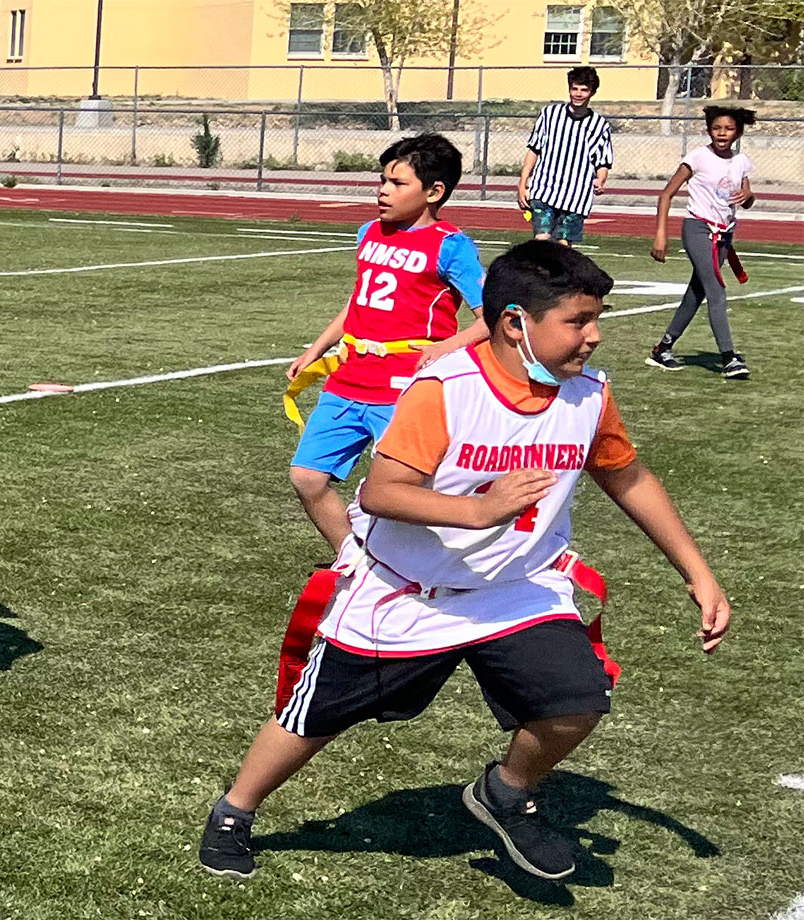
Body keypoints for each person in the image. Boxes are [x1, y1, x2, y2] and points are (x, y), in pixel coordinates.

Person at [198, 241, 733, 882]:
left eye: (598, 317)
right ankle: (235, 810)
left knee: (578, 701)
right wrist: (482, 511)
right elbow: (380, 493)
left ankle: (507, 790)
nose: (594, 336)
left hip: (517, 590)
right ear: (514, 322)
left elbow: (630, 478)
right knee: (315, 717)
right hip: (407, 594)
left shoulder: (589, 395)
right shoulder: (446, 388)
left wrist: (698, 574)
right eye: (577, 321)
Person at [281, 134, 488, 553]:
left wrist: (445, 349)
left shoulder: (451, 246)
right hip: (349, 378)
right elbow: (359, 300)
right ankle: (352, 558)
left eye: (397, 183)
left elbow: (490, 318)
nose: (383, 190)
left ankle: (430, 567)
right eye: (382, 180)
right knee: (306, 477)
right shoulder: (370, 232)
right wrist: (316, 348)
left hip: (405, 389)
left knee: (401, 491)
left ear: (434, 192)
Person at [646, 106, 759, 381]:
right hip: (698, 230)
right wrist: (661, 234)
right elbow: (666, 195)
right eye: (717, 128)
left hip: (724, 235)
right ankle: (729, 358)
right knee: (716, 289)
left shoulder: (741, 161)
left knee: (696, 293)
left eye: (729, 129)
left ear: (738, 132)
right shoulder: (697, 157)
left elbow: (747, 197)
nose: (722, 133)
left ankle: (663, 348)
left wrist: (747, 196)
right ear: (709, 129)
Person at [520, 67, 615, 247]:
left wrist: (600, 179)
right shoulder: (549, 115)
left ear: (592, 92)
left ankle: (558, 276)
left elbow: (602, 161)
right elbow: (534, 149)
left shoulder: (599, 125)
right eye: (575, 88)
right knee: (542, 240)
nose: (578, 94)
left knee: (562, 245)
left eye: (584, 90)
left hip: (575, 194)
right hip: (544, 189)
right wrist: (523, 182)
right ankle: (540, 275)